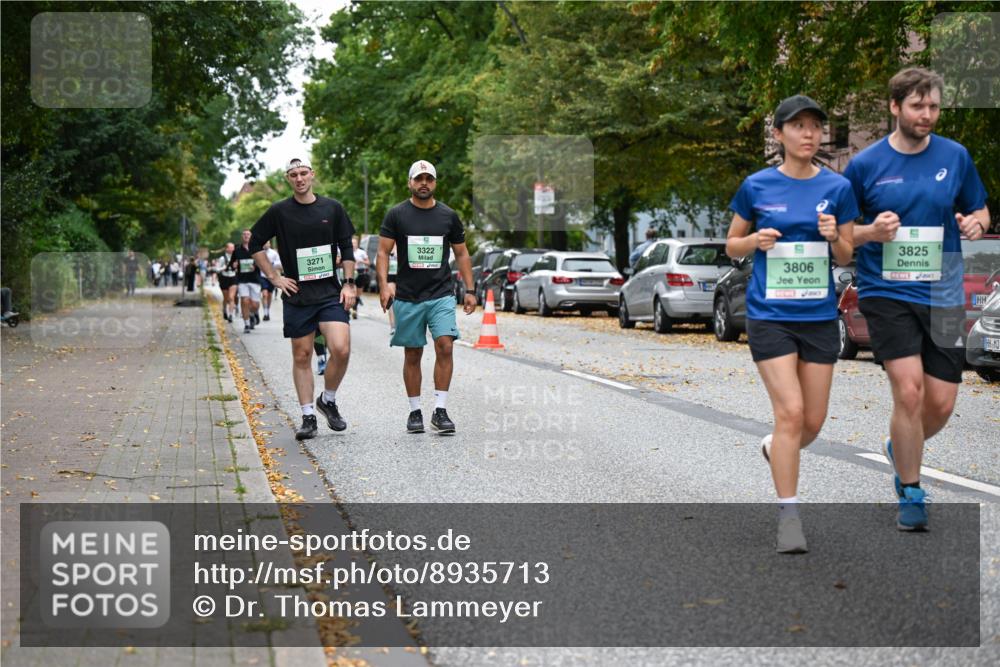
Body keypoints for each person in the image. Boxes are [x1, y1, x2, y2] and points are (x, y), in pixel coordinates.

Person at [844, 68, 990, 532]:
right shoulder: (865, 165)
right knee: (908, 390)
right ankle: (911, 490)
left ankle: (900, 445)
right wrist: (871, 231)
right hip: (887, 291)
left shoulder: (956, 156)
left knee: (941, 403)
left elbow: (980, 207)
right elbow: (842, 242)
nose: (927, 115)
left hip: (943, 291)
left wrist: (978, 225)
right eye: (917, 106)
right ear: (895, 108)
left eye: (933, 107)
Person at [726, 95, 859, 553]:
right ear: (779, 134)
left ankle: (775, 447)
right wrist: (755, 240)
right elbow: (731, 246)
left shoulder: (838, 188)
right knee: (791, 413)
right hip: (770, 316)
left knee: (814, 422)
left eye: (816, 127)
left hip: (819, 317)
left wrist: (832, 238)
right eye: (798, 126)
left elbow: (846, 254)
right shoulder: (757, 186)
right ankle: (789, 517)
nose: (809, 134)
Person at [249, 157, 357, 440]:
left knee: (341, 348)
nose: (299, 178)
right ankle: (308, 415)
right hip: (297, 293)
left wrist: (348, 284)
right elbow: (253, 244)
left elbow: (346, 246)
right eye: (293, 175)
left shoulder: (332, 208)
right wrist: (274, 277)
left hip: (329, 292)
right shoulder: (279, 211)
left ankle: (328, 400)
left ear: (313, 175)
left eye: (304, 173)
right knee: (302, 354)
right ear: (288, 178)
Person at [377, 160, 477, 434]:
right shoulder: (396, 214)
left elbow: (461, 253)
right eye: (418, 179)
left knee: (445, 345)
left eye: (429, 179)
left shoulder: (448, 216)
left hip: (441, 293)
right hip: (408, 296)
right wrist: (384, 285)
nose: (424, 183)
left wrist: (470, 290)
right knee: (413, 352)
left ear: (434, 183)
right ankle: (414, 412)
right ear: (410, 183)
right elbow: (383, 252)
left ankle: (440, 410)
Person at [230, 230, 262, 333]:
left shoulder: (257, 248)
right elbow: (231, 264)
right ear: (242, 237)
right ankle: (247, 324)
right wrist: (233, 265)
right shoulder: (237, 250)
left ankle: (253, 313)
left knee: (255, 305)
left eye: (248, 234)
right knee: (244, 301)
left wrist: (256, 266)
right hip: (242, 280)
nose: (246, 236)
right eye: (244, 234)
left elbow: (263, 264)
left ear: (251, 236)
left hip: (255, 280)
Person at [259, 240, 282, 321]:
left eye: (267, 243)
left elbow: (279, 263)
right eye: (264, 243)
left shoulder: (273, 253)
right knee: (264, 294)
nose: (266, 244)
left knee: (269, 294)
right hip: (262, 276)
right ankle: (265, 313)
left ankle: (267, 310)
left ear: (269, 244)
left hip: (272, 276)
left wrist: (271, 264)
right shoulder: (259, 253)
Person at [216, 243, 238, 321]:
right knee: (226, 298)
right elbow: (217, 269)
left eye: (233, 247)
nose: (232, 249)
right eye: (231, 248)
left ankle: (231, 315)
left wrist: (236, 268)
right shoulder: (222, 258)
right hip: (224, 278)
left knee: (231, 297)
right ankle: (224, 310)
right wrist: (224, 267)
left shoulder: (236, 258)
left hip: (233, 277)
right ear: (226, 249)